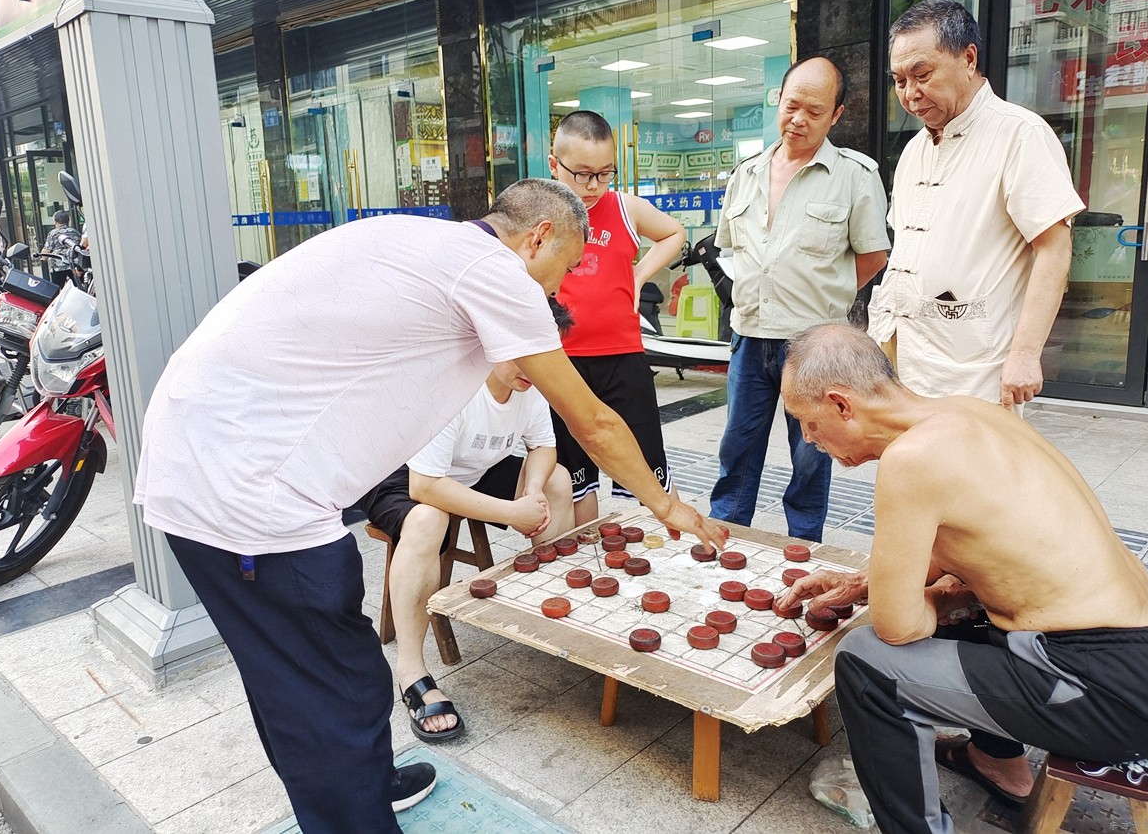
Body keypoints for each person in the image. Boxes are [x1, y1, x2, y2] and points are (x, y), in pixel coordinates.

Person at [134, 178, 728, 834]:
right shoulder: (497, 273)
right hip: (245, 491)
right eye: (562, 273)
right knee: (333, 688)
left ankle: (366, 785)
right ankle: (355, 815)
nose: (557, 293)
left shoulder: (426, 240)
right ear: (538, 239)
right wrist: (667, 507)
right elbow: (595, 424)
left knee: (296, 670)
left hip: (204, 456)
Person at [774, 324, 1148, 834]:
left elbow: (897, 628)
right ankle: (997, 763)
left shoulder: (911, 459)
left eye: (807, 422)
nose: (808, 439)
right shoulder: (970, 412)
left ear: (841, 404)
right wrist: (866, 583)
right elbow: (975, 549)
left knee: (866, 662)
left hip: (1104, 691)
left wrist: (934, 599)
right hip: (1139, 658)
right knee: (972, 608)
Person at [353, 301, 576, 743]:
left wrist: (532, 489)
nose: (535, 367)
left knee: (558, 480)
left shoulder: (530, 382)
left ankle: (552, 611)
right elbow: (426, 486)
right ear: (495, 342)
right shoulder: (455, 387)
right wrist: (512, 512)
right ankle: (411, 671)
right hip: (398, 472)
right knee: (427, 520)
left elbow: (543, 447)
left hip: (468, 469)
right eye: (525, 354)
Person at [869, 0, 1085, 410]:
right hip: (901, 354)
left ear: (968, 59)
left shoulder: (1019, 134)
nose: (910, 94)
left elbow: (1054, 249)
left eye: (922, 75)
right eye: (899, 81)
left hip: (972, 366)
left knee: (970, 451)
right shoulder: (914, 149)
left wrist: (1025, 353)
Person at [709, 57, 889, 541]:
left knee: (813, 453)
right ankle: (726, 537)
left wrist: (823, 295)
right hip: (749, 337)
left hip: (814, 347)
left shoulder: (854, 175)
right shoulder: (746, 173)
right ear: (778, 101)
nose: (798, 119)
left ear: (836, 115)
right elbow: (732, 248)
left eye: (814, 111)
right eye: (791, 106)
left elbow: (873, 256)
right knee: (737, 448)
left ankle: (804, 546)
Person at [548, 110, 687, 526]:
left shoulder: (625, 208)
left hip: (623, 358)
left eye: (605, 174)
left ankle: (669, 549)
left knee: (649, 468)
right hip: (562, 362)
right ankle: (582, 555)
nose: (593, 186)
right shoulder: (539, 213)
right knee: (577, 478)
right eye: (582, 174)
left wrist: (639, 274)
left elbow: (675, 233)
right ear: (555, 165)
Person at [42, 210, 80, 288]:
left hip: (58, 266)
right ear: (68, 221)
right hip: (74, 265)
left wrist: (43, 257)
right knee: (79, 287)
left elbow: (47, 249)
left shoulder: (53, 233)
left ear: (56, 222)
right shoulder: (75, 232)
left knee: (58, 288)